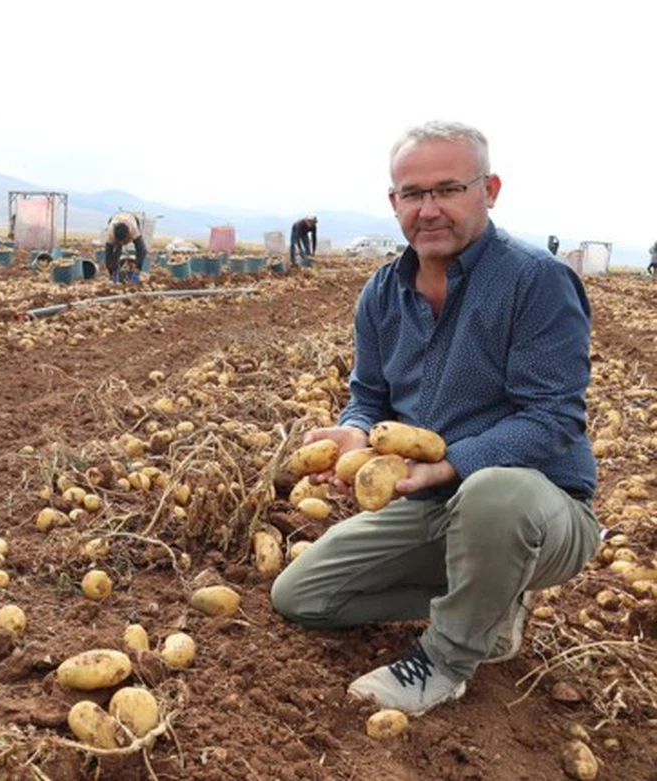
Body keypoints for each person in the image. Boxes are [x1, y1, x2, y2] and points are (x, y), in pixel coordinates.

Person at [270, 121, 598, 716]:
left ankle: (446, 659)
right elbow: (369, 396)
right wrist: (354, 429)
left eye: (448, 189)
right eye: (413, 194)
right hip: (431, 506)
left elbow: (553, 417)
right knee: (302, 595)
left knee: (493, 493)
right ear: (394, 202)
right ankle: (489, 607)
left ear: (489, 189)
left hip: (539, 512)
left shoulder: (536, 282)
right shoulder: (380, 294)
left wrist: (451, 465)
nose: (429, 209)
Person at [103, 211, 147, 283]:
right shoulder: (110, 235)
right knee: (116, 250)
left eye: (124, 241)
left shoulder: (133, 229)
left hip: (131, 218)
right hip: (114, 218)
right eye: (120, 242)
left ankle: (133, 274)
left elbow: (142, 250)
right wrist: (111, 271)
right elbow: (108, 255)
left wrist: (137, 269)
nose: (123, 243)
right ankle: (115, 272)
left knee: (140, 248)